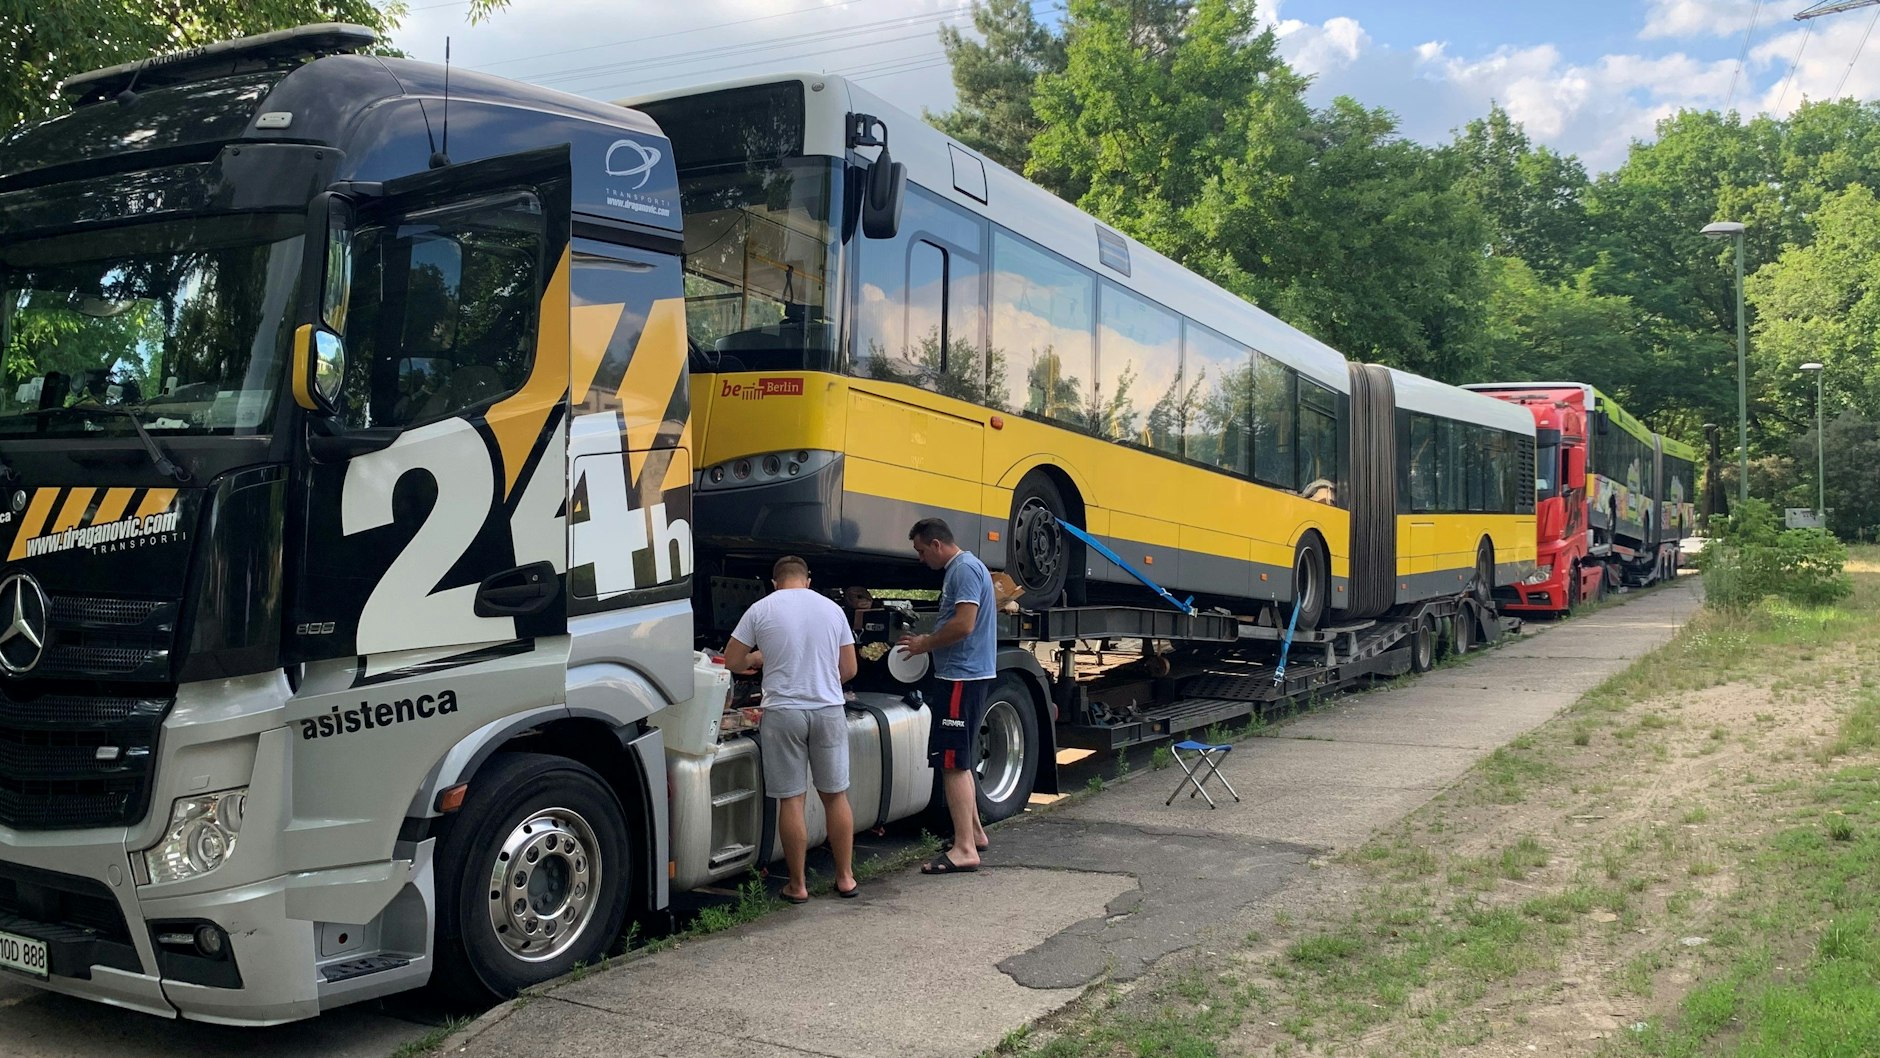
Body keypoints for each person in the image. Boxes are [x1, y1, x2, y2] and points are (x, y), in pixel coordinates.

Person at [723, 556, 860, 903]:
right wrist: (824, 680)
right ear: (808, 580)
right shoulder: (832, 610)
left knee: (791, 799)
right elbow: (849, 668)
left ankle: (797, 885)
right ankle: (845, 878)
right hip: (827, 709)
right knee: (835, 796)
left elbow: (733, 660)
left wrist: (756, 660)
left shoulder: (761, 609)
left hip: (783, 713)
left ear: (775, 581)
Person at [897, 517, 996, 874]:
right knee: (962, 758)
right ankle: (974, 833)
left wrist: (925, 643)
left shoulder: (963, 570)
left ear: (937, 545)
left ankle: (965, 849)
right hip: (965, 674)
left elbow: (964, 623)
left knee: (952, 762)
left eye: (922, 551)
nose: (922, 559)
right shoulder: (968, 568)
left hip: (961, 676)